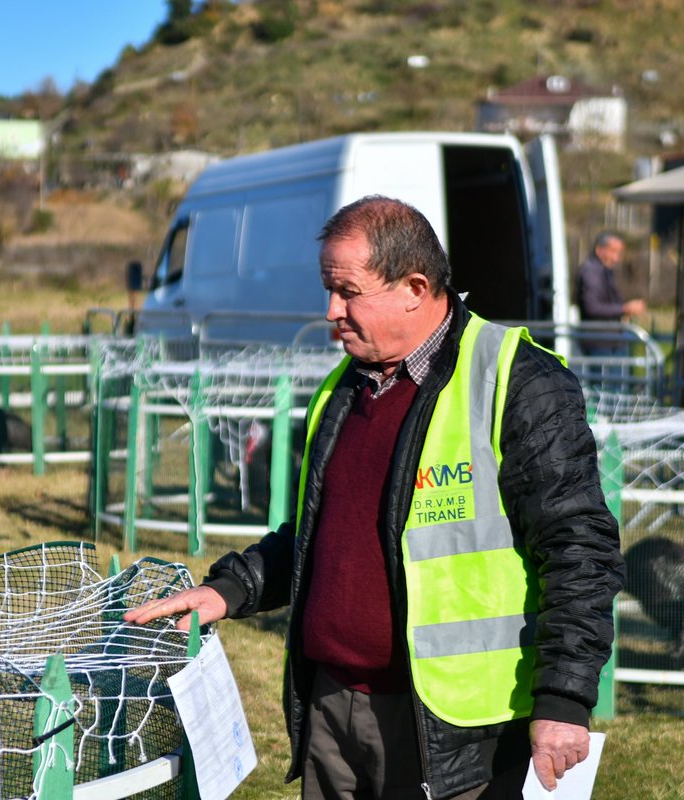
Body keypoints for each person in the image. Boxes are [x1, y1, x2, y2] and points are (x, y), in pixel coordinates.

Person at [125, 197, 624, 799]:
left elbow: (580, 550)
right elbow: (324, 534)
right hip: (332, 710)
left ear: (415, 288)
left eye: (348, 292)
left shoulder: (517, 381)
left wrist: (564, 699)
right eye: (328, 290)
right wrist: (232, 589)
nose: (331, 311)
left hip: (458, 733)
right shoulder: (344, 388)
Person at [574, 232, 645, 387]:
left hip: (610, 340)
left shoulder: (605, 271)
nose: (616, 258)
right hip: (599, 341)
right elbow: (592, 307)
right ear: (600, 250)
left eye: (619, 253)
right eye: (613, 252)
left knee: (616, 389)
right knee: (605, 391)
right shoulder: (591, 271)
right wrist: (624, 308)